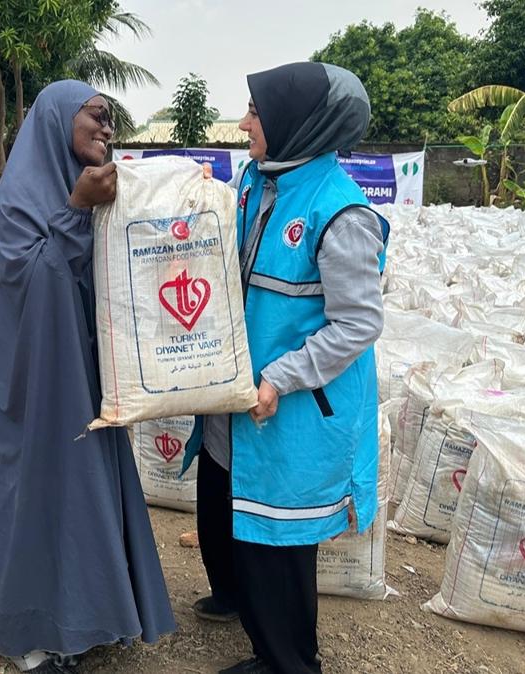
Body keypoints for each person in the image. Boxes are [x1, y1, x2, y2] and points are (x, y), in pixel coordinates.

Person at [0, 80, 176, 674]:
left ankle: (83, 617)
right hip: (29, 380)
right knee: (30, 491)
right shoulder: (15, 201)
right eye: (98, 117)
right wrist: (76, 209)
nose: (107, 130)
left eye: (110, 122)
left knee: (78, 489)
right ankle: (26, 634)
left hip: (80, 371)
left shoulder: (86, 190)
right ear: (59, 121)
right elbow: (32, 283)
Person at [188, 62, 388, 674]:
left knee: (276, 538)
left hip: (293, 403)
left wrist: (281, 376)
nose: (246, 122)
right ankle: (237, 600)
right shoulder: (260, 179)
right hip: (242, 391)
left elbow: (357, 324)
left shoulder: (339, 213)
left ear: (296, 124)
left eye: (257, 112)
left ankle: (286, 661)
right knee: (221, 502)